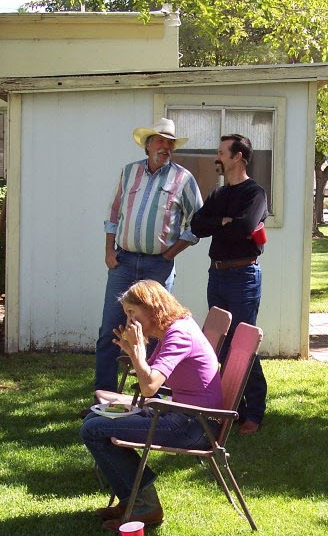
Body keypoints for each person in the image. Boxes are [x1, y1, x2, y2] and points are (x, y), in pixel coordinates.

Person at [81, 280, 223, 531]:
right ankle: (134, 501)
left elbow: (149, 387)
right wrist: (134, 350)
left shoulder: (178, 334)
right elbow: (150, 377)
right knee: (93, 421)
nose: (129, 320)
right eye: (126, 313)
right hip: (185, 416)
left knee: (93, 429)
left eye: (132, 312)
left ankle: (144, 506)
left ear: (151, 308)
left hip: (195, 425)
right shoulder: (175, 328)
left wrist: (137, 353)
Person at [95, 118, 203, 393]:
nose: (165, 147)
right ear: (147, 145)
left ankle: (148, 397)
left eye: (170, 143)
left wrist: (169, 254)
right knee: (110, 330)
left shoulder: (183, 178)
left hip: (158, 267)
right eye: (160, 140)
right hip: (124, 262)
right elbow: (113, 215)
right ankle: (104, 396)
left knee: (156, 332)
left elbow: (198, 224)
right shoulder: (128, 173)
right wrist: (109, 251)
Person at [190, 134, 268, 435]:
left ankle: (255, 412)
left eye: (222, 152)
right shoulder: (219, 195)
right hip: (218, 274)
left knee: (243, 344)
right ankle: (234, 408)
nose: (217, 157)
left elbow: (246, 227)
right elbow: (197, 225)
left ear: (238, 157)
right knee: (220, 342)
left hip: (243, 276)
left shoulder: (255, 193)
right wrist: (223, 221)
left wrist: (222, 224)